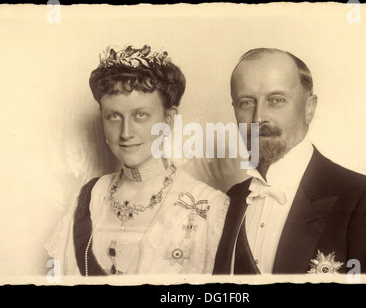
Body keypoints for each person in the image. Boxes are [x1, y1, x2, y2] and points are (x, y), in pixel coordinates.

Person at [213, 48, 366, 275]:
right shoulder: (226, 203)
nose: (259, 117)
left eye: (276, 100)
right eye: (246, 102)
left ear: (309, 108)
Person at [46, 44, 229, 276]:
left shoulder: (209, 206)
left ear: (169, 119)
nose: (125, 132)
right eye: (113, 116)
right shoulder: (87, 197)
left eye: (140, 115)